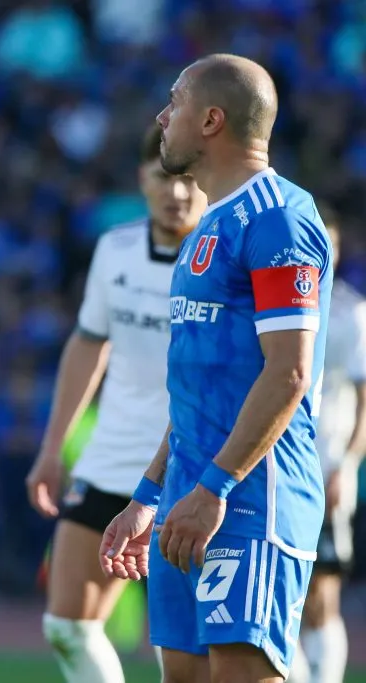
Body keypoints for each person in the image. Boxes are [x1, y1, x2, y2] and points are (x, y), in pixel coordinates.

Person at [99, 53, 333, 683]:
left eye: (173, 102)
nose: (161, 116)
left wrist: (216, 489)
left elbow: (288, 373)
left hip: (251, 499)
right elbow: (198, 391)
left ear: (210, 120)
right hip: (189, 496)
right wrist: (149, 496)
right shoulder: (209, 227)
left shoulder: (279, 218)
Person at [26, 123, 206, 683]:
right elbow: (87, 343)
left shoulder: (224, 259)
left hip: (192, 466)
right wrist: (53, 450)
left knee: (183, 648)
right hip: (110, 461)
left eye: (187, 181)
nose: (175, 193)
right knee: (67, 625)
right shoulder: (115, 249)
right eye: (162, 178)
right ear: (141, 180)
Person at [289, 207, 366, 683]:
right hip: (280, 464)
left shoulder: (351, 313)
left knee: (321, 593)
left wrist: (348, 466)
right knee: (284, 590)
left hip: (326, 465)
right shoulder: (281, 305)